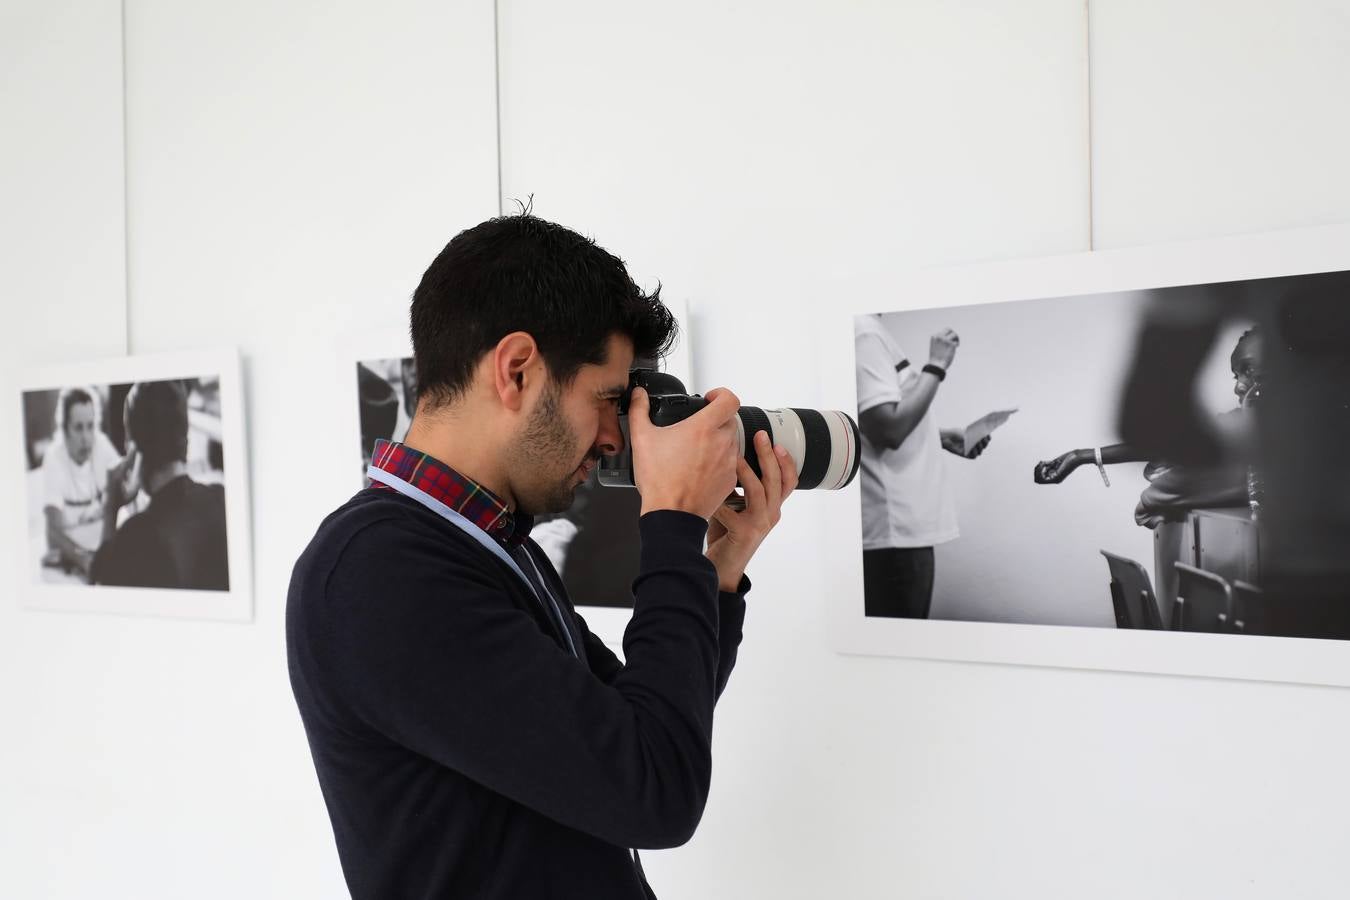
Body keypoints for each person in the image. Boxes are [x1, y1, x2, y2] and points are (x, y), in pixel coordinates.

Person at [287, 215, 797, 900]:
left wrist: (719, 569)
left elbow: (645, 723)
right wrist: (672, 520)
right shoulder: (379, 572)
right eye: (609, 400)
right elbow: (655, 791)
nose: (616, 438)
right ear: (517, 370)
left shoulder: (485, 543)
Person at [1033, 327, 1263, 527]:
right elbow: (1175, 443)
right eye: (1236, 376)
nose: (1239, 387)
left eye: (1249, 370)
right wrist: (1081, 456)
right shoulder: (1239, 425)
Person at [854, 315, 990, 619]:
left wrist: (937, 437)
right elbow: (888, 429)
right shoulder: (864, 332)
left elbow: (871, 424)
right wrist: (937, 365)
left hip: (898, 534)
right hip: (893, 534)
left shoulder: (869, 332)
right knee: (898, 642)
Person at [89, 379, 230, 591]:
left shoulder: (137, 536)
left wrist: (110, 508)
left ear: (133, 450)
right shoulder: (222, 499)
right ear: (185, 439)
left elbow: (101, 592)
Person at [40, 387, 123, 578]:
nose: (86, 438)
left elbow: (126, 480)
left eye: (90, 426)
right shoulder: (54, 457)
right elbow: (53, 534)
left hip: (99, 546)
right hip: (72, 557)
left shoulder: (100, 443)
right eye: (78, 428)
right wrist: (84, 560)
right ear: (64, 430)